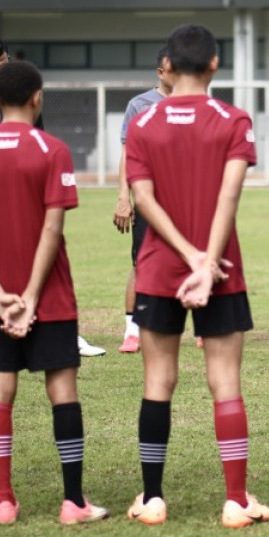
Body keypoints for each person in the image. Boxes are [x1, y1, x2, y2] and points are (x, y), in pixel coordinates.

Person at [123, 24, 269, 529]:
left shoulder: (142, 123)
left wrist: (186, 256)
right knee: (225, 382)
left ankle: (153, 499)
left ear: (167, 65)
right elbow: (229, 196)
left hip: (160, 267)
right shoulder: (234, 119)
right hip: (221, 266)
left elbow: (143, 199)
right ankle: (235, 500)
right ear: (214, 64)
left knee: (157, 381)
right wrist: (207, 262)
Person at [0, 60, 109, 526]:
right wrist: (28, 295)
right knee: (61, 389)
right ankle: (73, 502)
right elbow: (52, 226)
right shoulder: (53, 149)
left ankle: (3, 500)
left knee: (0, 389)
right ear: (38, 98)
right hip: (50, 296)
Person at [0, 37, 101, 357]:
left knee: (33, 248)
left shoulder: (26, 102)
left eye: (4, 66)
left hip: (25, 195)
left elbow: (37, 141)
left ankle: (34, 311)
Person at [114, 48, 174, 354]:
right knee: (141, 262)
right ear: (160, 72)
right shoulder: (139, 105)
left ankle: (205, 327)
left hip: (187, 199)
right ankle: (132, 330)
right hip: (149, 198)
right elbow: (129, 155)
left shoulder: (198, 104)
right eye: (170, 70)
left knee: (199, 259)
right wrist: (123, 197)